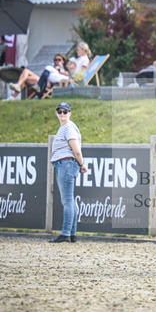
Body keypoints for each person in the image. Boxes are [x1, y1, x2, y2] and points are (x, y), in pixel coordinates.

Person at [49, 102, 86, 243]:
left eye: (65, 111)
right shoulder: (65, 127)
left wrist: (81, 163)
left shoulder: (68, 127)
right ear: (56, 113)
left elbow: (76, 150)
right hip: (67, 164)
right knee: (70, 199)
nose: (62, 114)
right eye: (60, 111)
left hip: (66, 164)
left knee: (67, 200)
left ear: (69, 113)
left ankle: (66, 233)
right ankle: (72, 234)